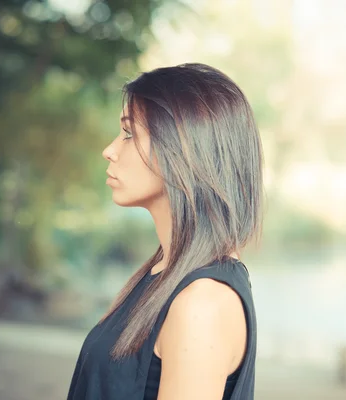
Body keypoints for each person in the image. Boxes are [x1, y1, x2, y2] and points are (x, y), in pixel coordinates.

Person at [67, 63, 263, 400]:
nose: (110, 150)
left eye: (129, 134)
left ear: (184, 151)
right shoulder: (165, 274)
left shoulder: (201, 304)